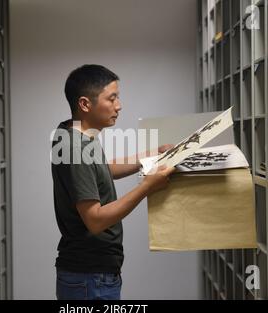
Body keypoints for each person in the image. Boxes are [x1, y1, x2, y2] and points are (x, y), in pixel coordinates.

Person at [51, 64, 175, 300]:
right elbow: (95, 220)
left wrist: (152, 155)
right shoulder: (75, 148)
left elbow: (100, 171)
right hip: (90, 277)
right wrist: (147, 186)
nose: (119, 105)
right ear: (85, 104)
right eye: (112, 98)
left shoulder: (73, 133)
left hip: (89, 275)